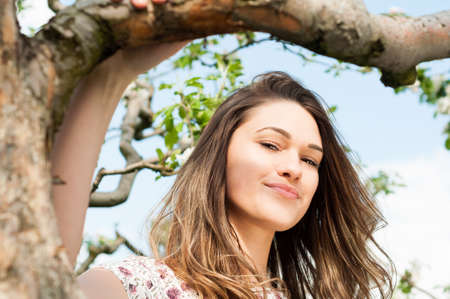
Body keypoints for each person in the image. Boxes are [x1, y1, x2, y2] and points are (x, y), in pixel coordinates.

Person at [51, 0, 394, 297]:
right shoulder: (137, 285)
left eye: (310, 160)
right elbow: (40, 274)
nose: (294, 168)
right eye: (271, 144)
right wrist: (110, 77)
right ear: (219, 156)